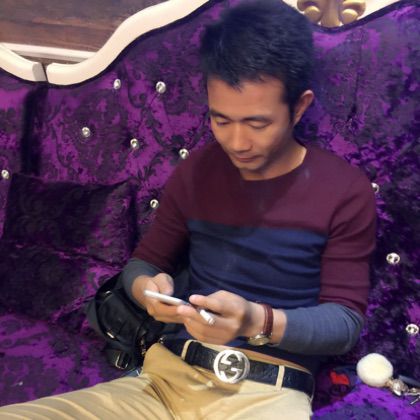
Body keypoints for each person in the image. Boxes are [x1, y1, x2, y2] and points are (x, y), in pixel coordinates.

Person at [0, 1, 376, 419]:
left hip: (268, 393)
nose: (237, 143)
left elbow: (344, 324)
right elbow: (143, 264)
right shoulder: (197, 170)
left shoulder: (344, 189)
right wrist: (148, 292)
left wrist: (256, 320)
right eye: (221, 120)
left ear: (299, 107)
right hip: (164, 379)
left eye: (257, 124)